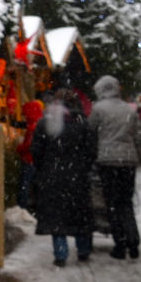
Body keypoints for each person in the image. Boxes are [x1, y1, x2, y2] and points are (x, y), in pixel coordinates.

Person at [31, 88, 98, 266]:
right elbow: (91, 150)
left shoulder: (46, 123)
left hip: (52, 176)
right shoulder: (82, 122)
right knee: (80, 214)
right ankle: (83, 250)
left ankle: (61, 254)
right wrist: (83, 167)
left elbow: (36, 150)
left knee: (56, 216)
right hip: (77, 176)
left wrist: (44, 168)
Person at [88, 75, 141, 260]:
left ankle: (120, 244)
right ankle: (133, 241)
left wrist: (92, 154)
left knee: (112, 203)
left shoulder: (98, 109)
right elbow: (139, 135)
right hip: (128, 161)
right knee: (126, 202)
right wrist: (139, 153)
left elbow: (91, 132)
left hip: (107, 161)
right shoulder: (128, 109)